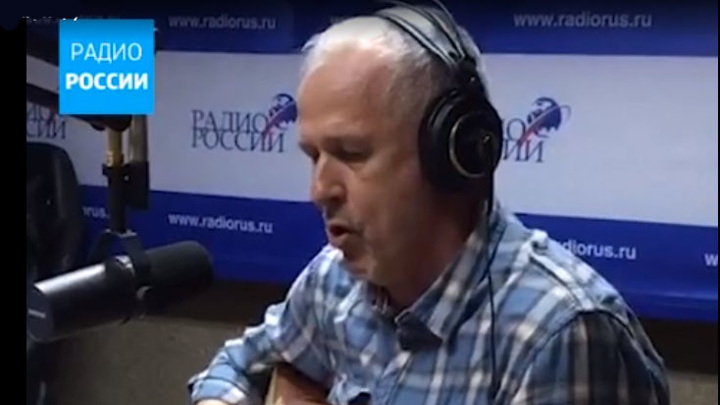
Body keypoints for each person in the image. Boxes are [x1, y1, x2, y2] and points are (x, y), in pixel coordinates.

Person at [188, 3, 670, 405]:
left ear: (453, 153)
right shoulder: (333, 282)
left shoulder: (558, 336)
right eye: (313, 156)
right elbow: (237, 365)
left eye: (351, 154)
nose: (320, 190)